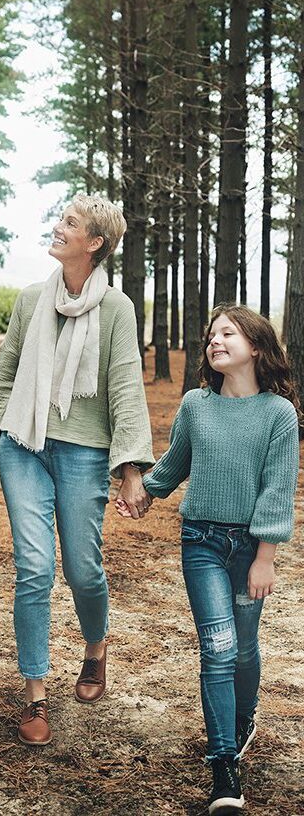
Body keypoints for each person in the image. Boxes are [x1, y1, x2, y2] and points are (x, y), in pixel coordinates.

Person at [0, 193, 154, 746]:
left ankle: (95, 649)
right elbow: (5, 374)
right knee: (33, 566)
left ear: (94, 243)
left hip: (83, 452)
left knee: (82, 568)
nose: (57, 227)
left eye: (69, 223)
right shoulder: (30, 300)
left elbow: (125, 386)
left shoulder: (116, 308)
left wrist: (131, 469)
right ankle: (35, 694)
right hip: (22, 445)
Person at [134, 305, 301, 815]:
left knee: (244, 649)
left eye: (227, 333)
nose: (215, 340)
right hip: (201, 542)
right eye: (211, 334)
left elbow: (277, 491)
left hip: (251, 547)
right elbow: (174, 464)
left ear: (256, 345)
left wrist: (265, 558)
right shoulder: (195, 404)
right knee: (218, 647)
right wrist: (140, 491)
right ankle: (224, 766)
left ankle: (244, 719)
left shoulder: (279, 414)